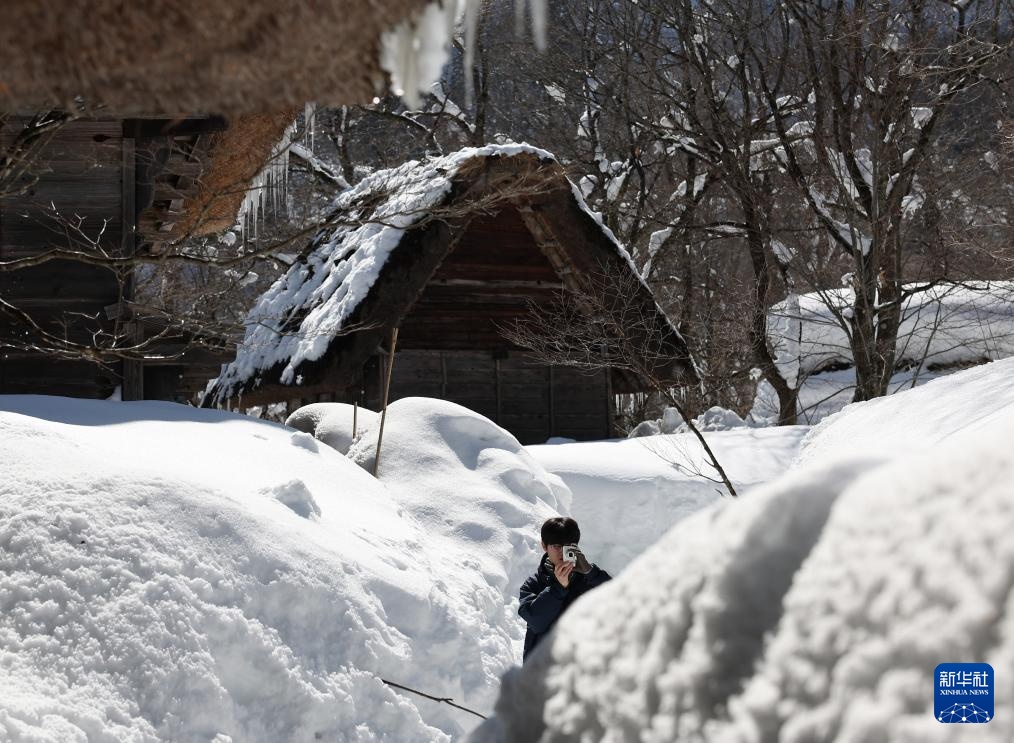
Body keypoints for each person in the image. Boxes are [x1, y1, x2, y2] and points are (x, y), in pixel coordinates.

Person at [519, 516, 611, 662]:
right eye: (556, 546)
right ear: (544, 546)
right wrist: (558, 588)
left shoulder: (589, 580)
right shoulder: (533, 584)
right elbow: (536, 621)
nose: (562, 552)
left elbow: (618, 600)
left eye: (568, 546)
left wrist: (590, 572)